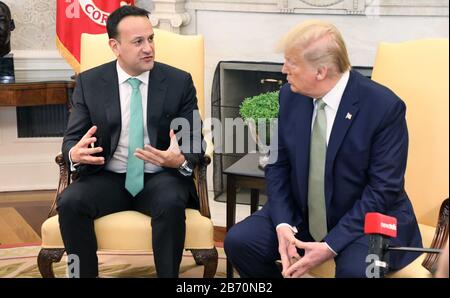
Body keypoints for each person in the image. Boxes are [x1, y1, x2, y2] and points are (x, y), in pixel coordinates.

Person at [224, 20, 422, 278]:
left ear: (321, 72)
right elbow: (277, 164)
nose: (284, 70)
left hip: (366, 220)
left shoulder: (384, 107)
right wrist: (283, 223)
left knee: (357, 273)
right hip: (302, 213)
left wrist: (331, 245)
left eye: (291, 63)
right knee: (240, 242)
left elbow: (382, 190)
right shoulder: (290, 96)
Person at [57, 5, 204, 278]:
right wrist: (73, 154)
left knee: (171, 201)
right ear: (115, 46)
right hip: (108, 177)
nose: (148, 48)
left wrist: (180, 159)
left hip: (160, 176)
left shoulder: (178, 81)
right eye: (138, 42)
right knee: (69, 202)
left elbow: (194, 138)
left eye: (150, 39)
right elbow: (72, 140)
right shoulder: (90, 83)